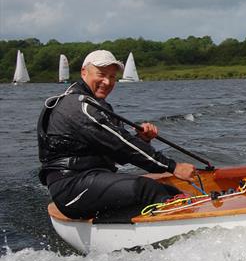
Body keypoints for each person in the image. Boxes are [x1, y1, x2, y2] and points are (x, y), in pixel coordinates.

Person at [37, 50, 196, 220]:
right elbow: (122, 144)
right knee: (147, 189)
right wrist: (173, 167)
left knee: (169, 191)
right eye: (101, 74)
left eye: (112, 77)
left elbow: (119, 153)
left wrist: (142, 140)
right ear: (84, 72)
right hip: (70, 189)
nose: (107, 82)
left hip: (92, 179)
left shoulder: (97, 106)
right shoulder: (78, 107)